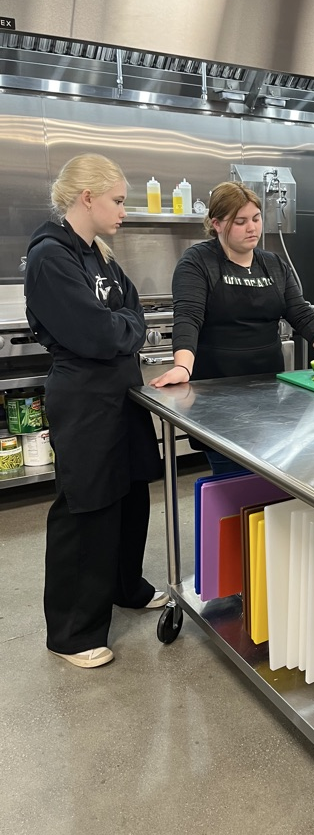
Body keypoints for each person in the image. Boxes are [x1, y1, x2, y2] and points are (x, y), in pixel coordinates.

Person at [23, 154, 166, 670]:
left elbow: (133, 311)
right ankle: (72, 631)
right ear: (87, 198)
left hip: (121, 394)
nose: (124, 211)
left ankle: (125, 586)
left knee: (130, 498)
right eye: (119, 201)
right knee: (87, 509)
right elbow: (98, 333)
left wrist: (121, 329)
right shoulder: (50, 256)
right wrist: (122, 330)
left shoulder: (100, 255)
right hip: (84, 401)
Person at [150, 181, 314, 473]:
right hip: (217, 394)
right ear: (217, 224)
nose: (252, 228)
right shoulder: (197, 262)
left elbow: (300, 314)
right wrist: (183, 367)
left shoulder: (273, 264)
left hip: (268, 391)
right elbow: (188, 316)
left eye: (256, 218)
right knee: (231, 477)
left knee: (268, 476)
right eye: (240, 222)